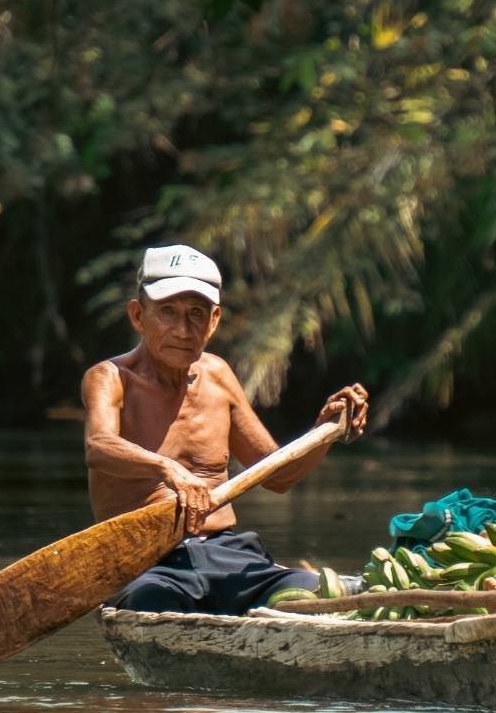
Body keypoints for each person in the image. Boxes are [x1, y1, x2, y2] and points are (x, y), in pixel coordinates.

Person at [82, 244, 369, 613]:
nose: (183, 330)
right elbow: (99, 446)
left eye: (196, 315)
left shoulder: (217, 375)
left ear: (214, 320)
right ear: (138, 316)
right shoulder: (109, 378)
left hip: (230, 557)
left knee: (320, 594)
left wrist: (325, 431)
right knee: (151, 602)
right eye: (168, 312)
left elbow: (276, 475)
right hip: (145, 564)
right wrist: (169, 469)